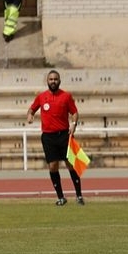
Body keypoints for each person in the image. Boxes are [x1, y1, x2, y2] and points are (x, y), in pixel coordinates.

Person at [26, 70, 84, 206]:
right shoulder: (41, 97)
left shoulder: (66, 96)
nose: (53, 81)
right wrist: (30, 115)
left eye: (55, 79)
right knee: (53, 166)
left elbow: (74, 112)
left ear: (59, 80)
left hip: (64, 135)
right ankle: (60, 197)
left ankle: (79, 195)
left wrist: (74, 124)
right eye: (51, 79)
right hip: (48, 137)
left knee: (71, 164)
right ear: (47, 81)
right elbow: (31, 109)